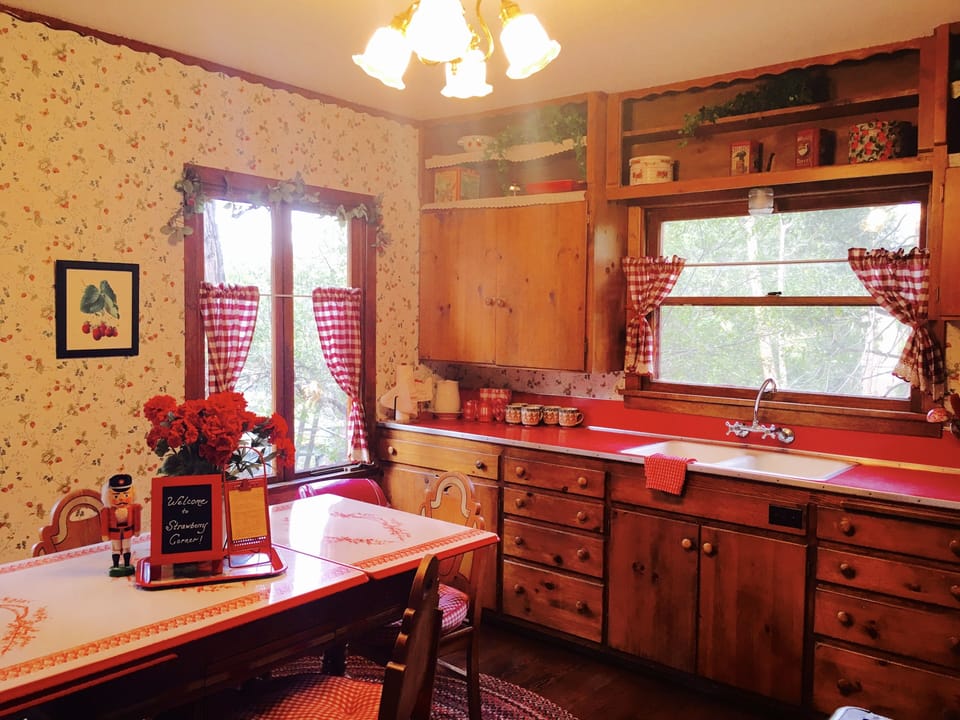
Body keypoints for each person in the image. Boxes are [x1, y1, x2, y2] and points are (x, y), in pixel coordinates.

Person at [100, 473, 142, 576]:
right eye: (116, 496)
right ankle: (116, 565)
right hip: (115, 534)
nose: (121, 499)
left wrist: (137, 530)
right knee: (116, 549)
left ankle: (127, 564)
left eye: (126, 495)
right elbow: (104, 523)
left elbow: (137, 519)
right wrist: (105, 534)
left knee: (127, 548)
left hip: (127, 532)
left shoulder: (134, 508)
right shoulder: (107, 511)